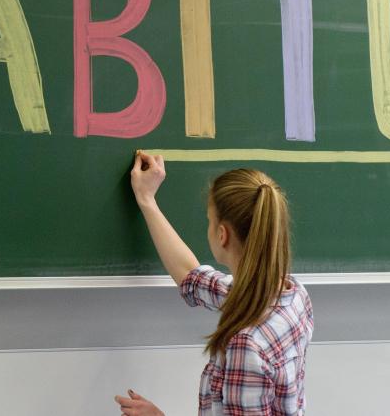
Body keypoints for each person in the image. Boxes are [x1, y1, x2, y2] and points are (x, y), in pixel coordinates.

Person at [115, 152, 314, 416]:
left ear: (222, 235)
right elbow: (192, 277)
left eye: (210, 220)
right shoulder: (291, 294)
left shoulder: (247, 345)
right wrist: (147, 199)